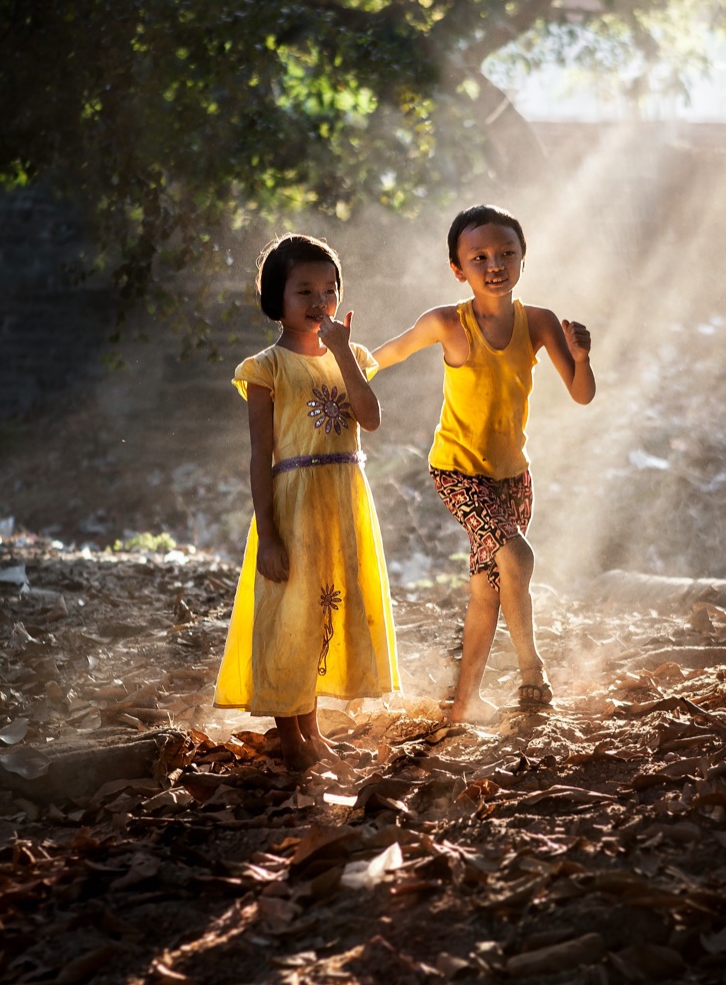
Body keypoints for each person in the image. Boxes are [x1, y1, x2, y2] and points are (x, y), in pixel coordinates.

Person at [373, 204, 593, 724]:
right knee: (516, 559)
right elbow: (390, 353)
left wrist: (582, 358)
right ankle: (532, 673)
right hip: (458, 471)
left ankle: (464, 702)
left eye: (506, 254)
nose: (495, 265)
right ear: (458, 269)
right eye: (479, 257)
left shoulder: (536, 321)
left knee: (487, 588)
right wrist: (334, 363)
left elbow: (581, 394)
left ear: (523, 258)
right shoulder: (448, 323)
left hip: (513, 476)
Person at [214, 233, 398, 769]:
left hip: (343, 501)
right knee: (289, 615)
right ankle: (290, 736)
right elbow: (259, 454)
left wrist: (341, 351)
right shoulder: (266, 368)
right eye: (304, 291)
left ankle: (312, 730)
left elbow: (370, 418)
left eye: (329, 289)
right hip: (293, 504)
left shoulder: (351, 355)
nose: (320, 302)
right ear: (278, 299)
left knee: (326, 612)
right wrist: (267, 533)